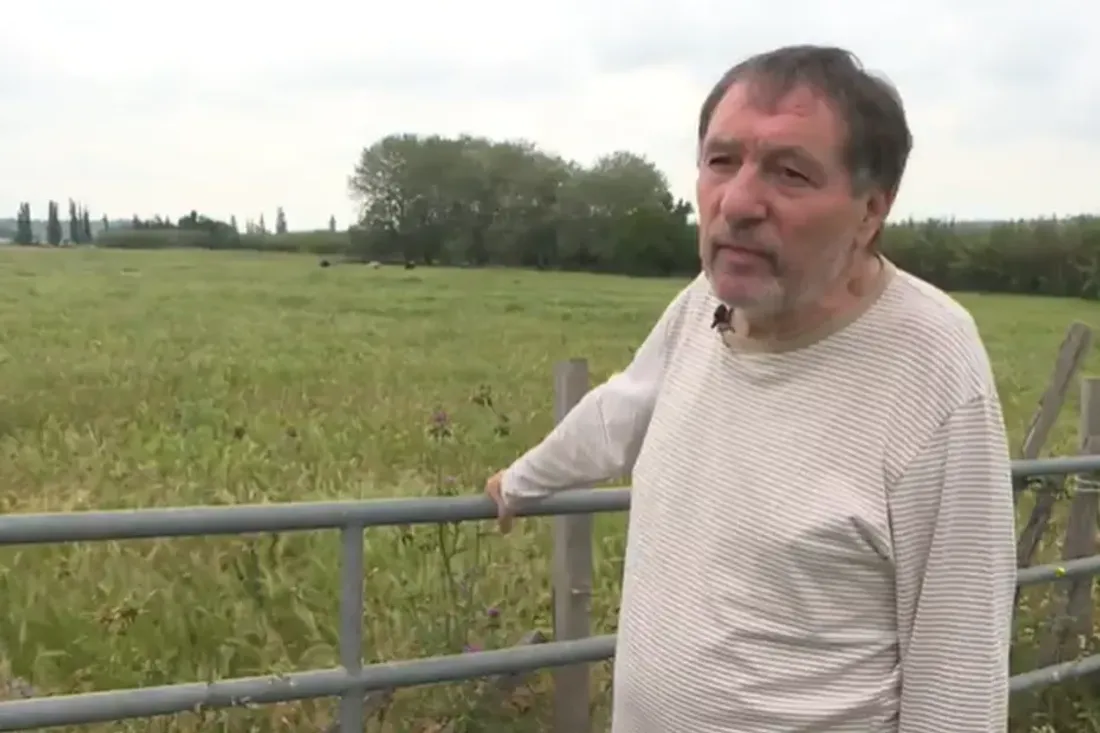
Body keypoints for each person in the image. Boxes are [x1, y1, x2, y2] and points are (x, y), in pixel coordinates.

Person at [485, 45, 1016, 732]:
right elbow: (621, 410)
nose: (736, 204)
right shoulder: (698, 311)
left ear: (869, 212)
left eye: (790, 173)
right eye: (720, 161)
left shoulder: (932, 364)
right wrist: (522, 481)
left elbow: (960, 673)